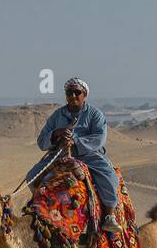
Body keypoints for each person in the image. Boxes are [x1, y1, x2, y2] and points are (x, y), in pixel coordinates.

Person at [30, 77, 122, 232]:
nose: (73, 95)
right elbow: (41, 141)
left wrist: (76, 141)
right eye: (69, 92)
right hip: (59, 155)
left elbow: (100, 137)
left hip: (89, 155)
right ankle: (42, 208)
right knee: (32, 176)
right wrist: (56, 134)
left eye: (77, 92)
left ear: (84, 94)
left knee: (109, 176)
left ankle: (109, 216)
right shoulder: (57, 116)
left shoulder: (95, 115)